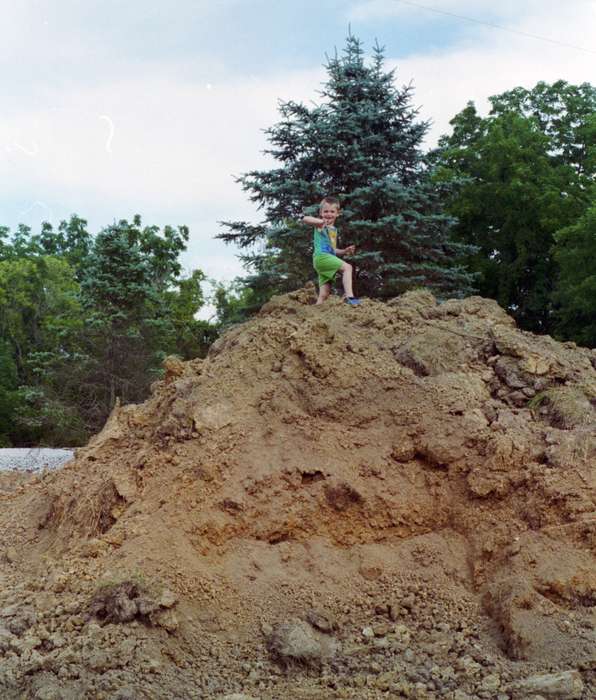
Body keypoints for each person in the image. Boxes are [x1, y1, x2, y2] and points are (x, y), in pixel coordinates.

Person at [302, 196, 360, 306]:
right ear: (321, 213)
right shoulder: (320, 225)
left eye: (332, 211)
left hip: (324, 258)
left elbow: (332, 250)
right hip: (322, 257)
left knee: (324, 294)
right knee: (348, 268)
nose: (329, 214)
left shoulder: (334, 230)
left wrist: (344, 251)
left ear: (338, 213)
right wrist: (320, 221)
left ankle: (315, 314)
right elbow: (305, 219)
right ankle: (350, 297)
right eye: (326, 211)